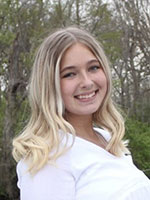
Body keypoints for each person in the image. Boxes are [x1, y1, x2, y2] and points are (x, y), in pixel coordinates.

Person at [12, 26, 150, 200]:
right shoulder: (47, 158)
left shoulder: (107, 139)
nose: (87, 82)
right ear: (49, 85)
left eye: (93, 68)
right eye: (70, 74)